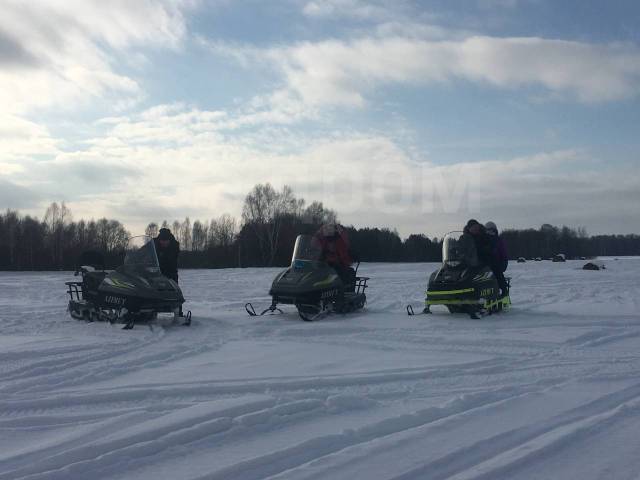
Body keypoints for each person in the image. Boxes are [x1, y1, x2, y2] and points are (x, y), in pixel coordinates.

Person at [314, 223, 357, 291]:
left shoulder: (340, 240)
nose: (329, 232)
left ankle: (339, 290)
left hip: (338, 265)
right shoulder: (322, 240)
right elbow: (313, 245)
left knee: (339, 273)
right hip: (323, 264)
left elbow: (344, 252)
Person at [485, 221, 509, 297]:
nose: (489, 232)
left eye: (491, 230)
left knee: (497, 272)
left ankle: (504, 290)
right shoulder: (483, 240)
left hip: (498, 262)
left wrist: (503, 262)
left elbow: (503, 252)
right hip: (487, 262)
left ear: (494, 230)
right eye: (487, 230)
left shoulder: (498, 240)